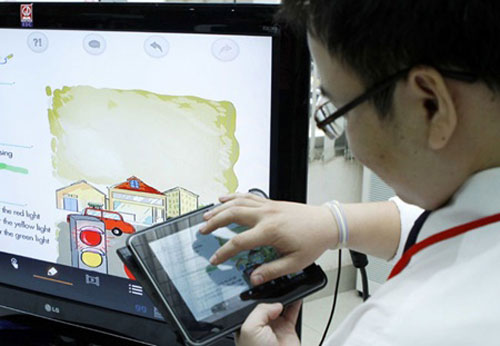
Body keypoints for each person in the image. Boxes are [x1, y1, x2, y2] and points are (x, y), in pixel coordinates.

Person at [200, 0, 500, 345]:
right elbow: (437, 226)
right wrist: (333, 224)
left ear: (429, 105)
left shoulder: (394, 331)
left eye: (340, 109)